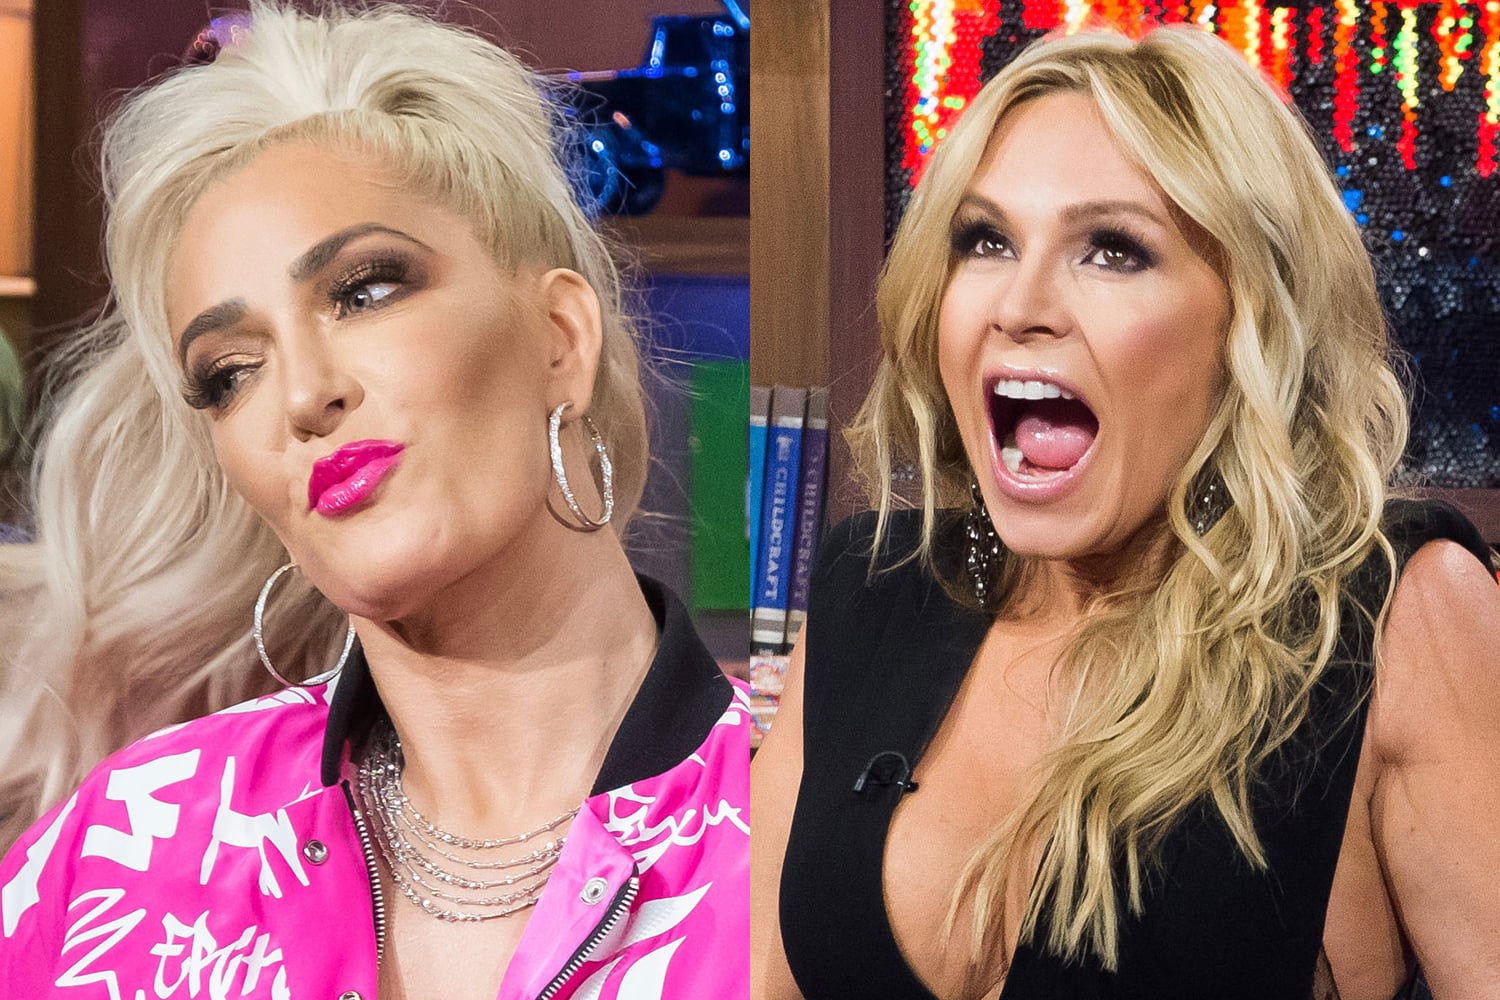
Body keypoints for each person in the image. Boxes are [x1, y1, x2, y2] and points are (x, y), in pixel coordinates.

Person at [0, 5, 749, 998]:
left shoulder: (801, 832)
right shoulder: (125, 853)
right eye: (231, 373)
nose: (303, 395)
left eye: (365, 290)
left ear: (560, 338)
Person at [752, 25, 1500, 1000]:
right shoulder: (868, 590)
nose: (1020, 304)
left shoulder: (1400, 616)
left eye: (1112, 250)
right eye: (986, 241)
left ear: (1251, 320)